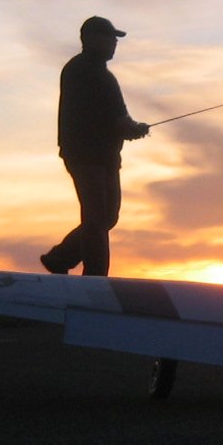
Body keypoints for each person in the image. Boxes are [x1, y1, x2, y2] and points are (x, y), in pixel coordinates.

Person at [40, 16, 149, 276]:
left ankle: (60, 258)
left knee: (106, 217)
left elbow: (113, 117)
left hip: (103, 156)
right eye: (109, 38)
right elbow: (116, 119)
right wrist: (133, 129)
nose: (114, 43)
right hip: (88, 156)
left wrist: (130, 128)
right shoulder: (89, 72)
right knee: (98, 218)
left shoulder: (89, 71)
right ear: (90, 39)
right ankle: (95, 278)